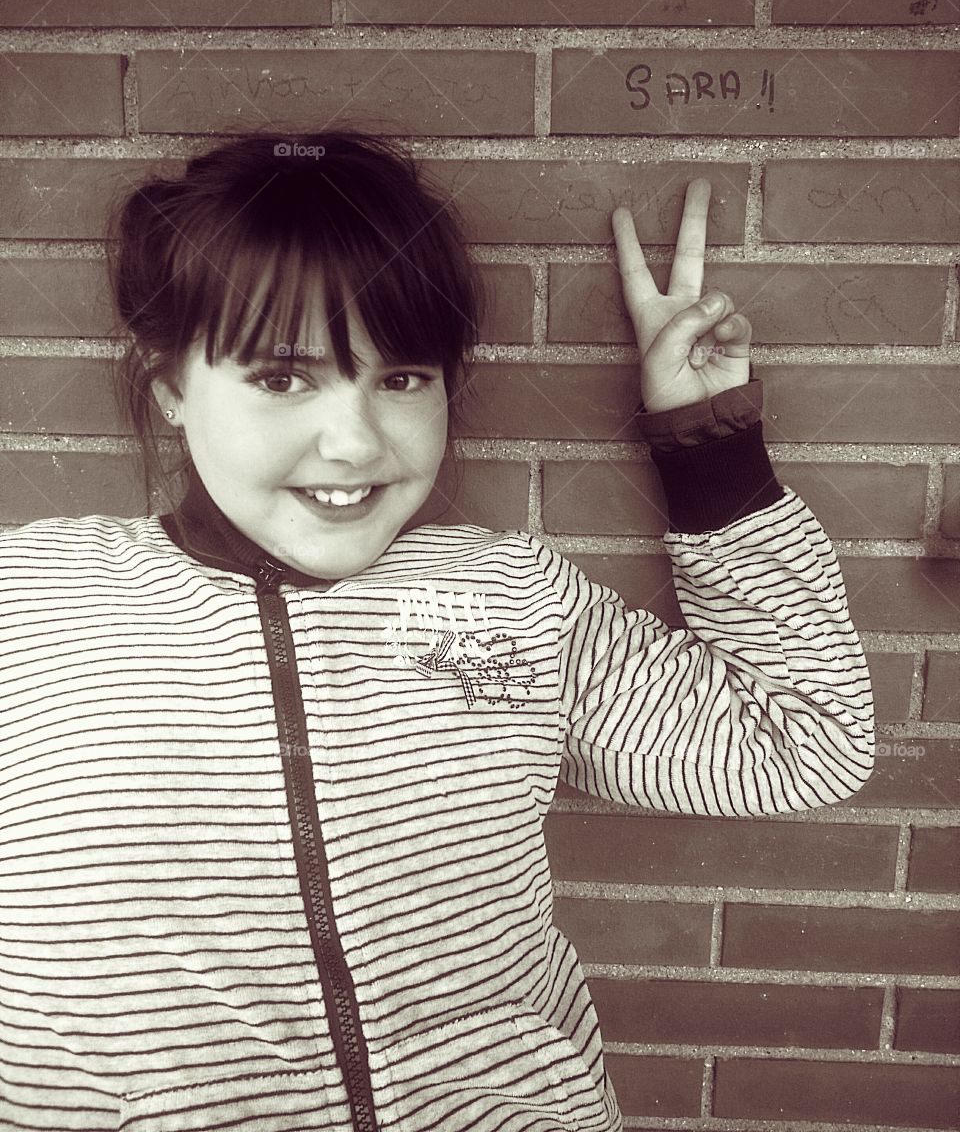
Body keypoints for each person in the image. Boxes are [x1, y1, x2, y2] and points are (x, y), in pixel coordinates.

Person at [0, 131, 875, 1132]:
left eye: (403, 376)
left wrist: (709, 440)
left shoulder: (506, 598)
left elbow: (801, 742)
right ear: (169, 388)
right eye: (283, 378)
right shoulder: (23, 598)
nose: (358, 441)